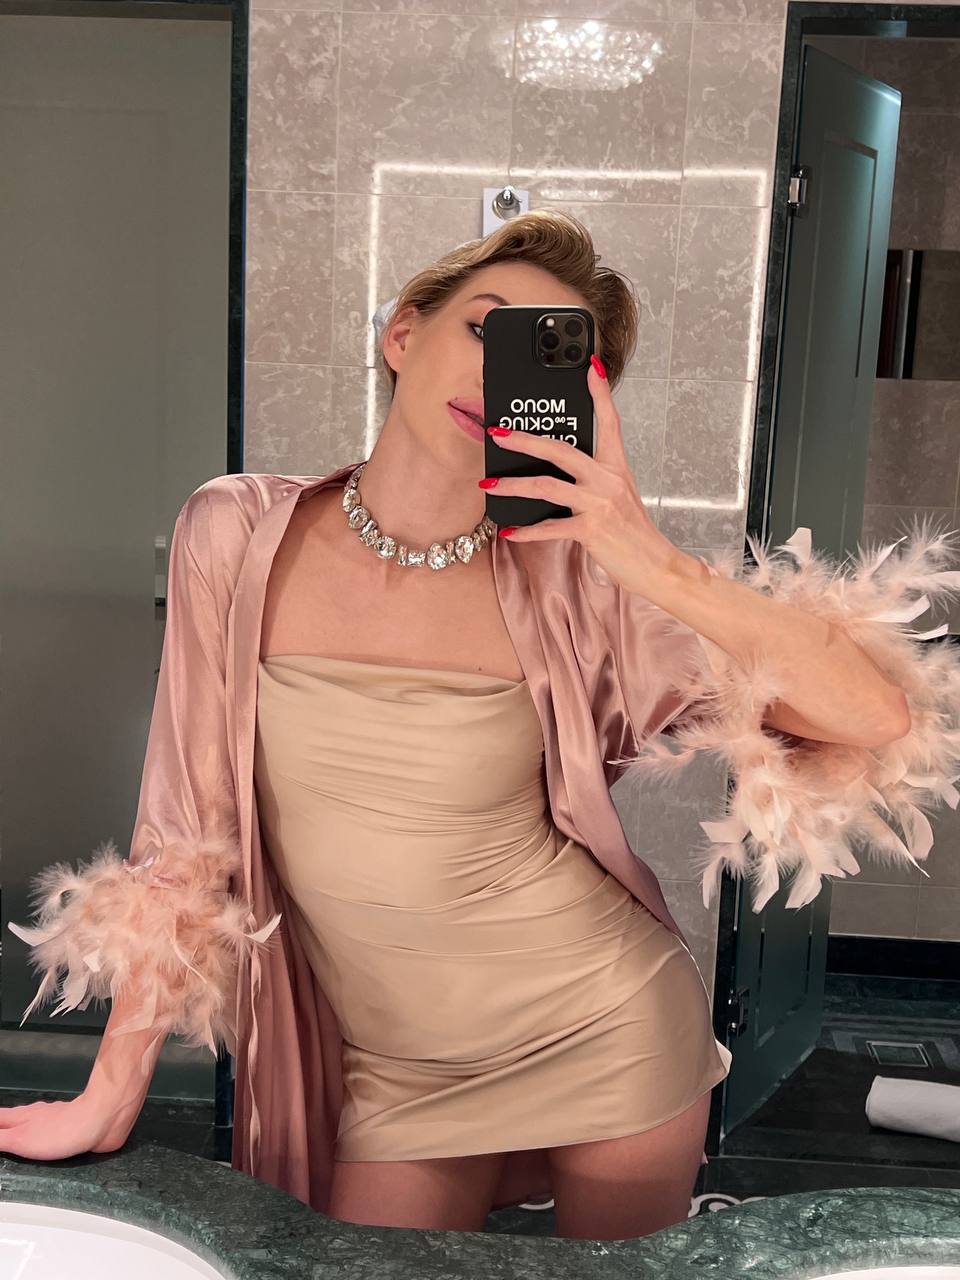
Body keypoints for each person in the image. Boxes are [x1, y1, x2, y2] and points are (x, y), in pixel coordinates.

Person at [4, 211, 959, 1242]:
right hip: (397, 1068)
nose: (500, 377)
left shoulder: (574, 586)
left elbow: (872, 714)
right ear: (403, 334)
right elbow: (185, 833)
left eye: (546, 361)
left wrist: (648, 555)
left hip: (607, 1027)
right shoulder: (233, 533)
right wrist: (112, 1091)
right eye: (486, 328)